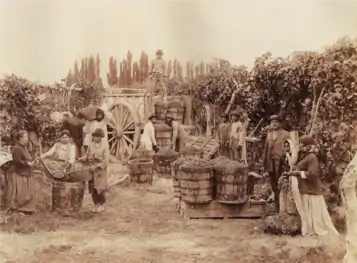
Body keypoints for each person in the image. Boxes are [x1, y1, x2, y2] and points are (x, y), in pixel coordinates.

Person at [286, 135, 339, 236]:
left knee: (314, 213)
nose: (299, 145)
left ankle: (316, 230)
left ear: (306, 144)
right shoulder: (304, 155)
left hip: (311, 190)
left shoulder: (312, 157)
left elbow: (313, 174)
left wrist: (298, 173)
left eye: (301, 143)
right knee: (307, 212)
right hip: (305, 189)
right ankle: (310, 230)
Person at [262, 115, 290, 209]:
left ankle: (284, 208)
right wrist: (264, 165)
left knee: (282, 184)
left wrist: (288, 164)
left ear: (280, 123)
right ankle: (278, 207)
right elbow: (266, 150)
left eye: (276, 122)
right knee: (274, 184)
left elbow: (290, 150)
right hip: (271, 163)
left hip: (282, 164)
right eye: (272, 122)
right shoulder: (269, 134)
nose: (274, 124)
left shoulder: (285, 134)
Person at [6, 130, 36, 214]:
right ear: (20, 138)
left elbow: (27, 157)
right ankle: (18, 208)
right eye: (25, 137)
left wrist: (32, 160)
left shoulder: (24, 147)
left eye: (27, 137)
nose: (27, 139)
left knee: (27, 193)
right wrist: (27, 163)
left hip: (26, 172)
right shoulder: (17, 148)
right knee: (20, 193)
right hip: (19, 173)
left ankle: (27, 208)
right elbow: (17, 161)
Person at [86, 128, 110, 213]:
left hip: (100, 170)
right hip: (92, 170)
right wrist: (86, 158)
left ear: (101, 137)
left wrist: (97, 160)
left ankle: (101, 204)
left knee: (99, 188)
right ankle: (96, 204)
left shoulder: (105, 146)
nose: (95, 138)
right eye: (94, 136)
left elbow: (106, 160)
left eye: (97, 136)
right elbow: (87, 155)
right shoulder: (91, 145)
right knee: (92, 188)